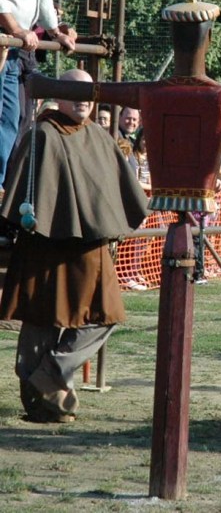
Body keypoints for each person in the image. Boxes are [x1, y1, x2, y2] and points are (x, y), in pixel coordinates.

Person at [0, 68, 149, 422]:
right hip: (44, 248)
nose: (82, 100)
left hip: (90, 250)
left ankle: (50, 374)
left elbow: (119, 191)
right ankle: (44, 404)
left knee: (105, 316)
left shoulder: (99, 136)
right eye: (73, 92)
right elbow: (23, 193)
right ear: (58, 95)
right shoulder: (42, 135)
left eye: (87, 93)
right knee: (41, 322)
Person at [0, 0, 76, 186]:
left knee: (13, 118)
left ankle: (4, 185)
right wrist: (17, 29)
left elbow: (44, 1)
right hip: (5, 39)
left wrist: (56, 33)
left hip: (14, 50)